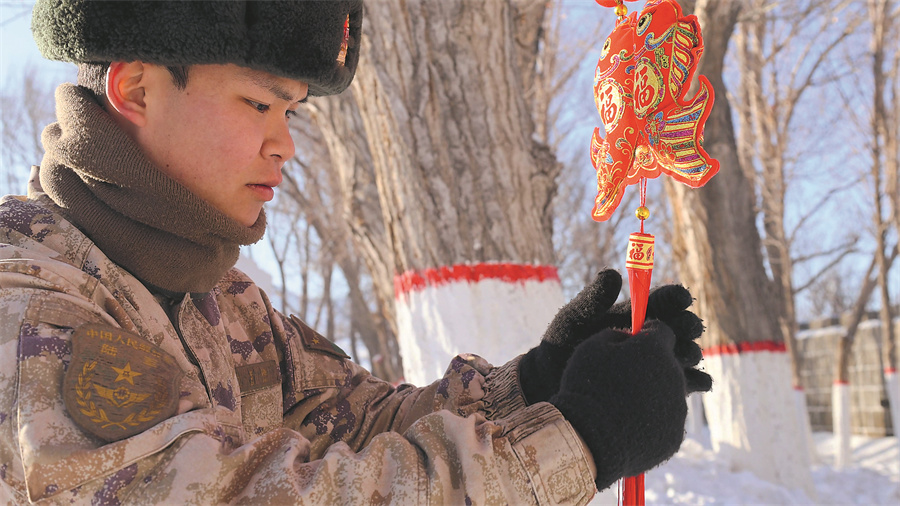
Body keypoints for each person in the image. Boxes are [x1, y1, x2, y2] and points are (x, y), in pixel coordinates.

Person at [0, 1, 712, 504]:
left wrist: (537, 383)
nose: (284, 144)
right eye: (258, 104)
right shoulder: (32, 296)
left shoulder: (221, 300)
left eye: (293, 113)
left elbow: (358, 425)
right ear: (136, 88)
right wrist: (577, 439)